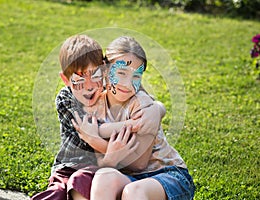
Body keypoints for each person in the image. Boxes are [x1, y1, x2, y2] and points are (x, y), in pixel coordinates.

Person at [31, 34, 162, 200]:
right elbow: (95, 129)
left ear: (104, 72)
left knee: (80, 182)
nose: (89, 86)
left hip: (97, 168)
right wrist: (132, 124)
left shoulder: (108, 90)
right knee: (56, 193)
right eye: (79, 78)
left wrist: (157, 109)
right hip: (69, 166)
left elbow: (134, 86)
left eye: (94, 76)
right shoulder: (66, 99)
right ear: (65, 79)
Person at [75, 36, 195, 200]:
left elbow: (139, 164)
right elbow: (104, 162)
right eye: (121, 73)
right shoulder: (96, 105)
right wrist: (107, 152)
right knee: (104, 176)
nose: (127, 84)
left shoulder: (143, 106)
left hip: (167, 176)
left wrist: (96, 140)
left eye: (136, 76)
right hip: (129, 179)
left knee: (133, 192)